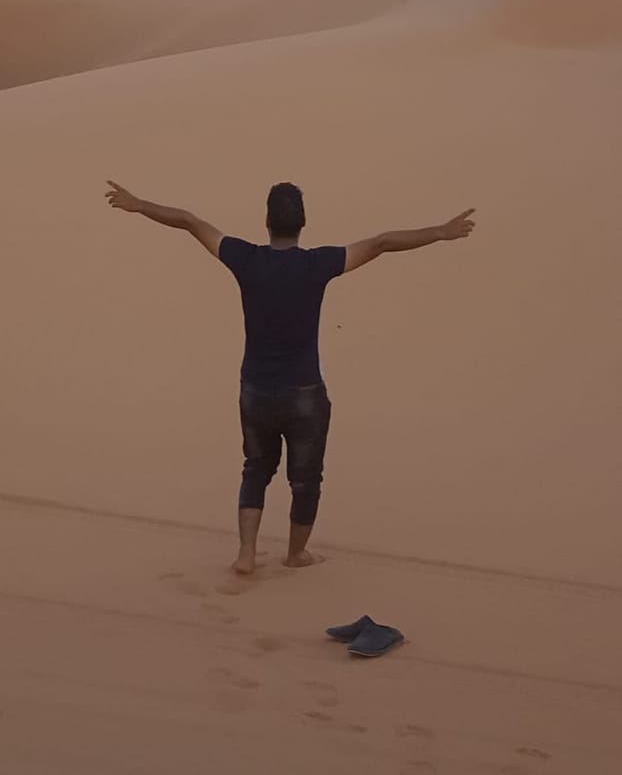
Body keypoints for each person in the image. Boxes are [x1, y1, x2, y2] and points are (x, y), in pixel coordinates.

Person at [105, 180, 475, 575]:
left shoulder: (245, 258)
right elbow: (382, 242)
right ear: (303, 223)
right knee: (306, 480)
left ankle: (246, 554)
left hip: (256, 390)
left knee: (256, 468)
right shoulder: (317, 264)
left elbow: (189, 221)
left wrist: (139, 204)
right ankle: (296, 554)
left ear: (266, 222)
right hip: (304, 392)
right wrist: (439, 232)